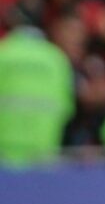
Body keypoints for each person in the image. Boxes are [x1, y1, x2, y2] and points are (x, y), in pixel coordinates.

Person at [0, 26, 74, 165]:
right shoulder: (56, 58)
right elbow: (67, 107)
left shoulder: (3, 52)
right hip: (43, 150)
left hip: (3, 148)